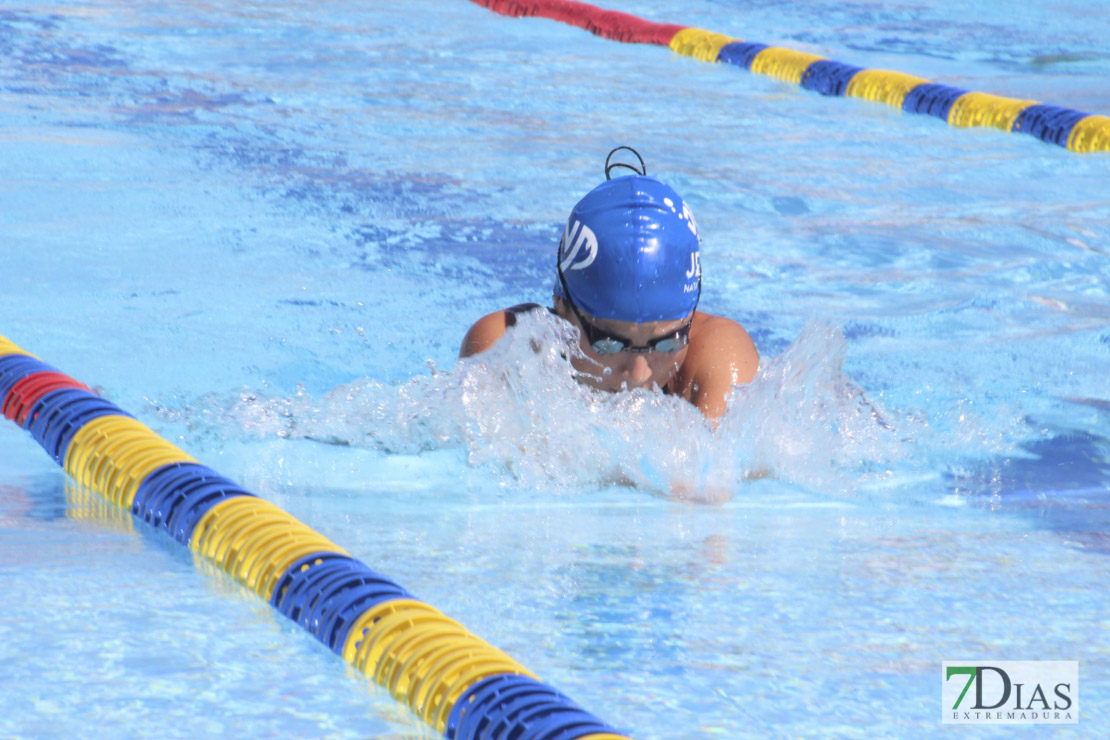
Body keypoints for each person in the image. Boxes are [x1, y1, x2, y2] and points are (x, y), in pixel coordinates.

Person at [460, 147, 759, 421]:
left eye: (667, 342)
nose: (638, 375)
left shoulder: (720, 356)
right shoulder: (509, 347)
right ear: (561, 305)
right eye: (608, 343)